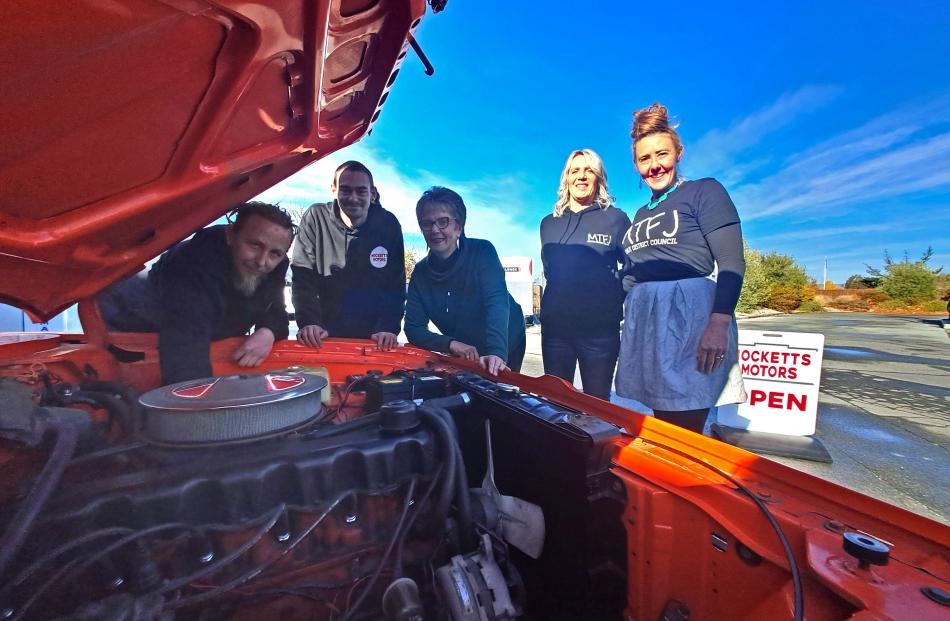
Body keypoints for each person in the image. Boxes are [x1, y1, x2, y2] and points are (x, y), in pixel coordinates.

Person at [615, 103, 746, 433]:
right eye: (645, 159)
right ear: (635, 165)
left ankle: (690, 479)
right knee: (662, 414)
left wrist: (718, 323)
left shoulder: (704, 191)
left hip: (690, 315)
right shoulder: (641, 213)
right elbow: (633, 273)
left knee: (686, 414)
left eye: (662, 155)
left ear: (679, 152)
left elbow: (731, 262)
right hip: (649, 320)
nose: (655, 166)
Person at [100, 202, 294, 385]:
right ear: (230, 234)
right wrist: (198, 407)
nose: (262, 261)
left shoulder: (275, 266)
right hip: (140, 329)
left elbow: (275, 309)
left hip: (206, 333)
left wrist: (268, 332)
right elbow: (186, 342)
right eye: (255, 245)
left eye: (274, 253)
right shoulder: (193, 262)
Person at [405, 187, 526, 376]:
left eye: (443, 222)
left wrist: (497, 353)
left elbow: (496, 302)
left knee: (498, 393)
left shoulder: (482, 252)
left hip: (506, 340)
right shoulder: (420, 273)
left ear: (459, 226)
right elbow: (413, 328)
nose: (435, 229)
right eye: (427, 223)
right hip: (464, 348)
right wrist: (450, 344)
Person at [539, 149, 630, 399]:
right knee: (556, 404)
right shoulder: (548, 223)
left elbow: (632, 268)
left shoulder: (616, 219)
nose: (581, 176)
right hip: (556, 333)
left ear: (598, 177)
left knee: (597, 406)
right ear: (566, 178)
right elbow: (550, 271)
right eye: (574, 171)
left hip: (600, 334)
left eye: (588, 170)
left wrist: (611, 299)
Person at [291, 161, 406, 350]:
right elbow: (302, 278)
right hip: (322, 337)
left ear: (373, 193)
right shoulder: (315, 217)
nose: (353, 198)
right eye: (345, 190)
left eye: (361, 191)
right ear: (333, 190)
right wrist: (309, 322)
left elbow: (395, 285)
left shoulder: (389, 224)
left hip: (374, 340)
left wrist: (388, 327)